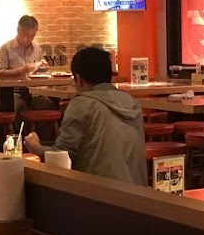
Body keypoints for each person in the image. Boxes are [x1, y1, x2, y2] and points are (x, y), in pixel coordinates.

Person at [24, 45, 145, 185]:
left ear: (78, 78)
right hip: (138, 192)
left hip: (98, 192)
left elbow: (63, 156)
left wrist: (36, 147)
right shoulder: (133, 103)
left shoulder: (82, 104)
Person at [0, 14, 58, 141]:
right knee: (19, 109)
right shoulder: (6, 48)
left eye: (32, 36)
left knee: (47, 105)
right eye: (25, 35)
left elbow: (36, 72)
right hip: (13, 92)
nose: (27, 39)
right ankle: (23, 142)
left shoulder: (37, 49)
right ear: (18, 30)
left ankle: (45, 143)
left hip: (35, 92)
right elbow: (0, 73)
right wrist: (22, 70)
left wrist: (43, 68)